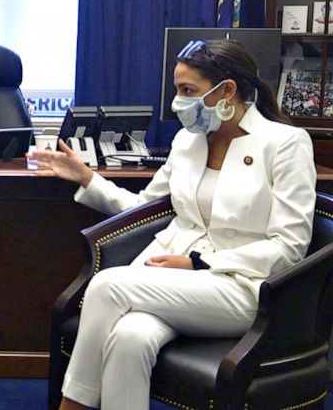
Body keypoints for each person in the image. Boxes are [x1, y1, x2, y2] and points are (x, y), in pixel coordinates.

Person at [28, 40, 316, 410]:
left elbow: (289, 245)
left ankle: (72, 406)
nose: (178, 102)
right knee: (129, 338)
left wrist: (198, 262)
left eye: (188, 91)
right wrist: (88, 179)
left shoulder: (285, 144)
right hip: (178, 284)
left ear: (227, 90)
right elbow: (144, 209)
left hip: (243, 287)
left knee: (107, 286)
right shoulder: (187, 141)